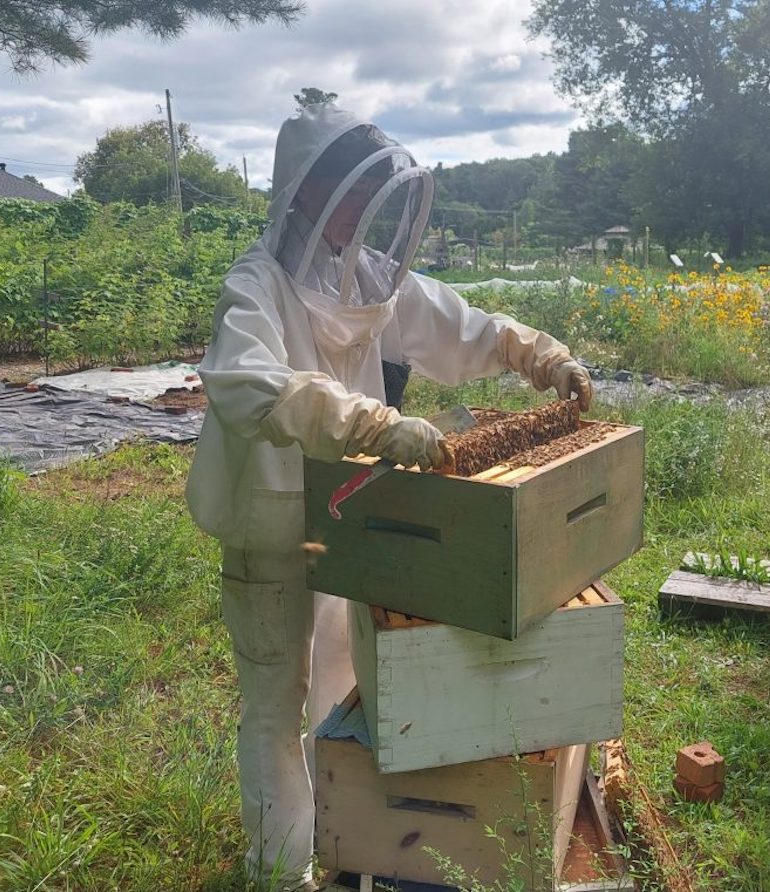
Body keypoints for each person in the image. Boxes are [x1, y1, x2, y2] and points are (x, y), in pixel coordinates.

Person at [184, 102, 592, 891]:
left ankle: (346, 843)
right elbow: (245, 383)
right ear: (305, 194)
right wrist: (370, 421)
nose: (355, 214)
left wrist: (543, 357)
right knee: (276, 697)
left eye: (365, 197)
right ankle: (279, 868)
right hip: (269, 518)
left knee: (343, 683)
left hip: (348, 519)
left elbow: (464, 326)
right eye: (344, 194)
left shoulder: (370, 276)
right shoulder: (256, 284)